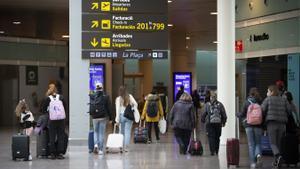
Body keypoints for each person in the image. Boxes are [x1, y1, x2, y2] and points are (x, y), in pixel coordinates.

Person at [261, 85, 289, 168]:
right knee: (278, 144)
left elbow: (262, 110)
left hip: (272, 123)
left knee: (273, 143)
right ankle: (276, 162)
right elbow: (289, 110)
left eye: (268, 91)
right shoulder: (284, 99)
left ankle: (277, 156)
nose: (267, 93)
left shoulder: (268, 99)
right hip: (283, 124)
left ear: (272, 92)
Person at [237, 88, 263, 169]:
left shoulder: (246, 102)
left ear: (249, 93)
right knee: (258, 143)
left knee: (251, 145)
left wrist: (237, 114)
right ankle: (258, 154)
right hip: (258, 125)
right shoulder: (260, 101)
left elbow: (242, 114)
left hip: (248, 125)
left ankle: (253, 163)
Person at [41, 83, 67, 159]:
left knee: (52, 136)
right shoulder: (61, 97)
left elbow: (43, 109)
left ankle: (52, 153)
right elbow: (65, 107)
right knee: (60, 136)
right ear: (56, 89)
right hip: (61, 120)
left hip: (52, 120)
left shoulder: (48, 98)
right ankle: (60, 154)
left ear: (49, 90)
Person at [201, 91, 227, 156]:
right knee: (217, 137)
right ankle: (216, 150)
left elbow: (204, 114)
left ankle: (212, 151)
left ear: (210, 98)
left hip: (209, 123)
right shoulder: (220, 104)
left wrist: (203, 120)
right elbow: (224, 114)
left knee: (211, 137)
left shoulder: (207, 104)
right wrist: (223, 122)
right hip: (218, 123)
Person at [89, 83, 112, 155]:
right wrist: (111, 118)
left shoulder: (92, 96)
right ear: (102, 88)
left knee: (95, 132)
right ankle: (101, 149)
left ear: (95, 88)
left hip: (94, 117)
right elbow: (109, 108)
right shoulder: (106, 96)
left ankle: (95, 144)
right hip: (103, 116)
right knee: (101, 133)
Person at [115, 86, 139, 152]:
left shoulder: (118, 99)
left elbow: (117, 110)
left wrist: (117, 120)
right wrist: (132, 107)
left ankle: (121, 146)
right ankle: (126, 148)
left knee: (121, 132)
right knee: (127, 132)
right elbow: (136, 104)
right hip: (129, 116)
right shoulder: (130, 96)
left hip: (121, 116)